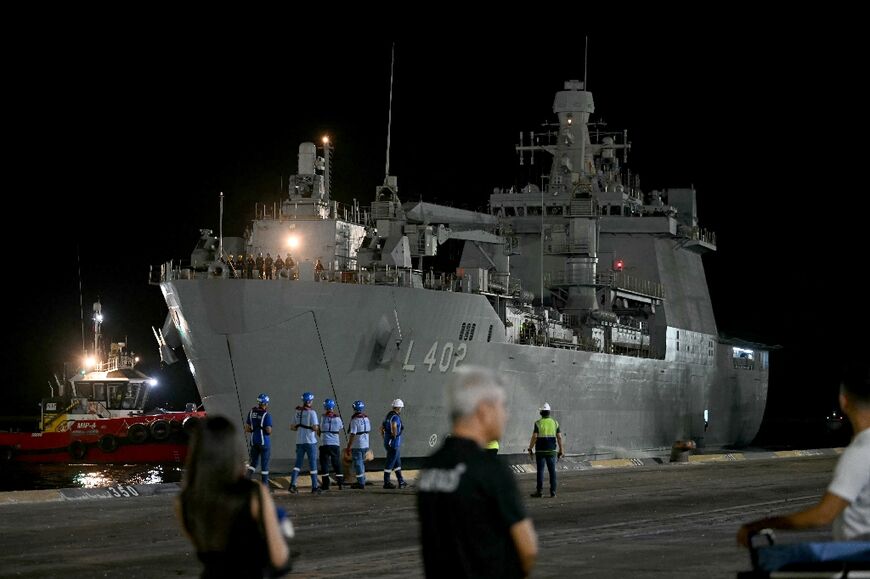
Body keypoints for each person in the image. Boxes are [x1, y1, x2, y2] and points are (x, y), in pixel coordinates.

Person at [417, 367, 538, 578]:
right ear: (484, 410)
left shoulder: (431, 467)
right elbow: (528, 549)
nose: (506, 415)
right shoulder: (491, 469)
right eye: (502, 406)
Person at [737, 365, 870, 547]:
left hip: (858, 556)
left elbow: (824, 515)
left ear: (843, 401)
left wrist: (761, 525)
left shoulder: (860, 451)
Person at [176, 415, 291, 578]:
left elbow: (204, 546)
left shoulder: (184, 500)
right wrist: (278, 526)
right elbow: (279, 558)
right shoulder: (254, 493)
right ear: (234, 451)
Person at [527, 402, 564, 498]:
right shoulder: (555, 423)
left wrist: (530, 448)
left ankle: (539, 491)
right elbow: (559, 437)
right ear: (549, 412)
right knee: (552, 472)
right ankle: (553, 492)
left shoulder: (538, 423)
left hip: (540, 452)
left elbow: (535, 436)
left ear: (541, 413)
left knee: (540, 471)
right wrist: (561, 450)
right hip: (552, 451)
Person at [289, 391, 321, 494]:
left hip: (299, 441)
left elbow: (292, 427)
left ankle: (292, 484)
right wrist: (315, 428)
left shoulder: (297, 412)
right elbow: (315, 427)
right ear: (310, 401)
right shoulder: (312, 413)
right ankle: (314, 487)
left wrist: (300, 426)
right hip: (310, 441)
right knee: (313, 465)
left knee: (297, 464)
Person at [245, 393, 273, 486]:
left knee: (253, 463)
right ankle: (265, 487)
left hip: (254, 441)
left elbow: (247, 429)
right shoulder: (266, 415)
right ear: (266, 403)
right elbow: (268, 430)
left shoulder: (251, 412)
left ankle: (245, 481)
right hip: (264, 442)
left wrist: (255, 429)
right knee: (264, 465)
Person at [380, 398, 407, 489]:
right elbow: (394, 425)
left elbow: (381, 428)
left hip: (388, 442)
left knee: (397, 462)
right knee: (390, 462)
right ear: (399, 408)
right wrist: (394, 435)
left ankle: (401, 481)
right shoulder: (395, 417)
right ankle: (386, 482)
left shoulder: (388, 416)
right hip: (394, 444)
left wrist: (385, 438)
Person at [319, 398, 344, 490]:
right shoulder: (337, 418)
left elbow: (319, 428)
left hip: (325, 443)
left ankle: (326, 484)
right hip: (335, 443)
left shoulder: (323, 417)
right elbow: (341, 427)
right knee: (336, 463)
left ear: (325, 407)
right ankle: (340, 483)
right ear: (333, 407)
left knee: (324, 464)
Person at [345, 400, 371, 489]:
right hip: (366, 444)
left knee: (358, 463)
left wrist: (349, 446)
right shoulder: (366, 418)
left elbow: (353, 434)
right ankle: (363, 479)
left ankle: (360, 482)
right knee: (362, 463)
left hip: (358, 445)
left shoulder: (354, 420)